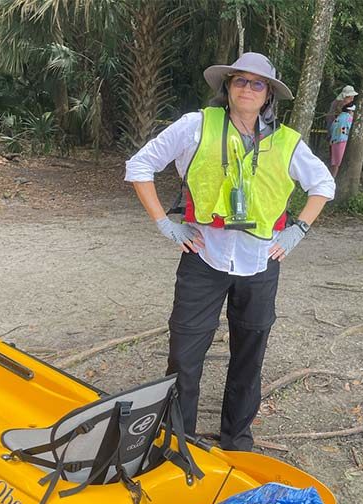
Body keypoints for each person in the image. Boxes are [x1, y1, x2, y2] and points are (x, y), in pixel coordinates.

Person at [125, 52, 335, 451]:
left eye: (258, 84)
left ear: (269, 94)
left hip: (260, 263)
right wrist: (164, 224)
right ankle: (178, 438)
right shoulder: (196, 126)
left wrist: (297, 230)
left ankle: (236, 438)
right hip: (203, 257)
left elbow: (324, 185)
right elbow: (139, 166)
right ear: (228, 87)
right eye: (240, 80)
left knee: (248, 357)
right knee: (185, 354)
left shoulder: (287, 142)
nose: (248, 88)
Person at [329, 103, 355, 177]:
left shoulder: (338, 118)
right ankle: (333, 181)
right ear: (350, 111)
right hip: (343, 142)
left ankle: (331, 179)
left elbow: (331, 129)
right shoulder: (349, 118)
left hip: (334, 142)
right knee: (338, 164)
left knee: (334, 164)